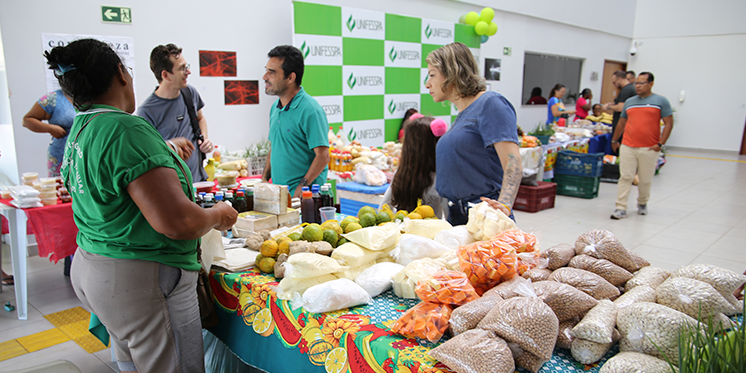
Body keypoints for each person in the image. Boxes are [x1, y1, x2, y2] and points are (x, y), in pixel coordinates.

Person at [47, 38, 237, 372]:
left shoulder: (84, 125)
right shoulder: (126, 128)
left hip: (97, 265)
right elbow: (178, 222)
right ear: (121, 73)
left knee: (131, 363)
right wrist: (219, 214)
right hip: (141, 278)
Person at [426, 42, 522, 225]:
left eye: (432, 75)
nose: (427, 84)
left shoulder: (491, 103)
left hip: (483, 212)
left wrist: (504, 206)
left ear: (452, 73)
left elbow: (513, 161)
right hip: (457, 213)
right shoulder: (463, 114)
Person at [137, 43, 213, 182]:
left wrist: (205, 139)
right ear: (166, 75)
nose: (188, 72)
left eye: (186, 67)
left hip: (198, 182)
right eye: (182, 69)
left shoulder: (189, 93)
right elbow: (146, 155)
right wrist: (172, 145)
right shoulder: (146, 111)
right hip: (171, 187)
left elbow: (200, 118)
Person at [261, 45, 329, 198]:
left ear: (290, 78)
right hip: (280, 196)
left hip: (305, 198)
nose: (265, 77)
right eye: (266, 70)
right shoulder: (275, 108)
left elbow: (323, 156)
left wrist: (302, 186)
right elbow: (275, 145)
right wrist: (265, 178)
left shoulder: (311, 110)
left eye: (272, 72)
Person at [610, 72, 673, 219]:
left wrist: (660, 143)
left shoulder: (660, 101)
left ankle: (643, 202)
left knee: (645, 179)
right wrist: (615, 140)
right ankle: (621, 207)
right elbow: (622, 122)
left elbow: (669, 123)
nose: (637, 86)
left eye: (641, 83)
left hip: (649, 147)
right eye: (636, 83)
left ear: (651, 84)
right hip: (628, 145)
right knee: (625, 177)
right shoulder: (630, 102)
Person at [381, 114, 447, 219]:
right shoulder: (441, 177)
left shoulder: (402, 173)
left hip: (403, 229)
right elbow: (450, 218)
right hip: (432, 233)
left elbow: (384, 207)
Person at [22, 90, 75, 176]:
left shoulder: (95, 97)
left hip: (86, 155)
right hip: (61, 155)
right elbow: (27, 120)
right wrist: (50, 128)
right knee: (60, 187)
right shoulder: (53, 98)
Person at [603, 70, 636, 149]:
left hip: (623, 126)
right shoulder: (630, 88)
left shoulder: (626, 90)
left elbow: (621, 108)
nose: (614, 85)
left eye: (614, 82)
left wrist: (608, 107)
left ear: (620, 79)